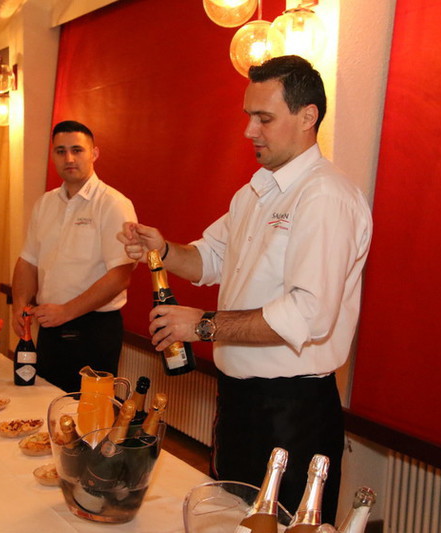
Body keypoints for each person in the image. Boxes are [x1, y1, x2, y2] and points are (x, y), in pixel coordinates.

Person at [119, 56, 372, 522]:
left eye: (264, 118)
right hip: (239, 401)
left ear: (308, 116)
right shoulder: (255, 192)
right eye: (248, 116)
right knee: (228, 521)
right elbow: (210, 259)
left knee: (284, 528)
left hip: (292, 410)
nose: (249, 131)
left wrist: (203, 325)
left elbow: (309, 314)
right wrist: (163, 249)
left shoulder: (325, 195)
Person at [11, 120, 137, 393]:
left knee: (88, 412)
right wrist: (19, 305)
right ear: (53, 155)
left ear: (94, 154)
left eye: (77, 150)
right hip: (49, 327)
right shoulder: (45, 204)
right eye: (61, 151)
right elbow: (28, 261)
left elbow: (120, 277)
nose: (69, 158)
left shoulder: (113, 204)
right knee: (43, 403)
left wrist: (66, 311)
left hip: (94, 330)